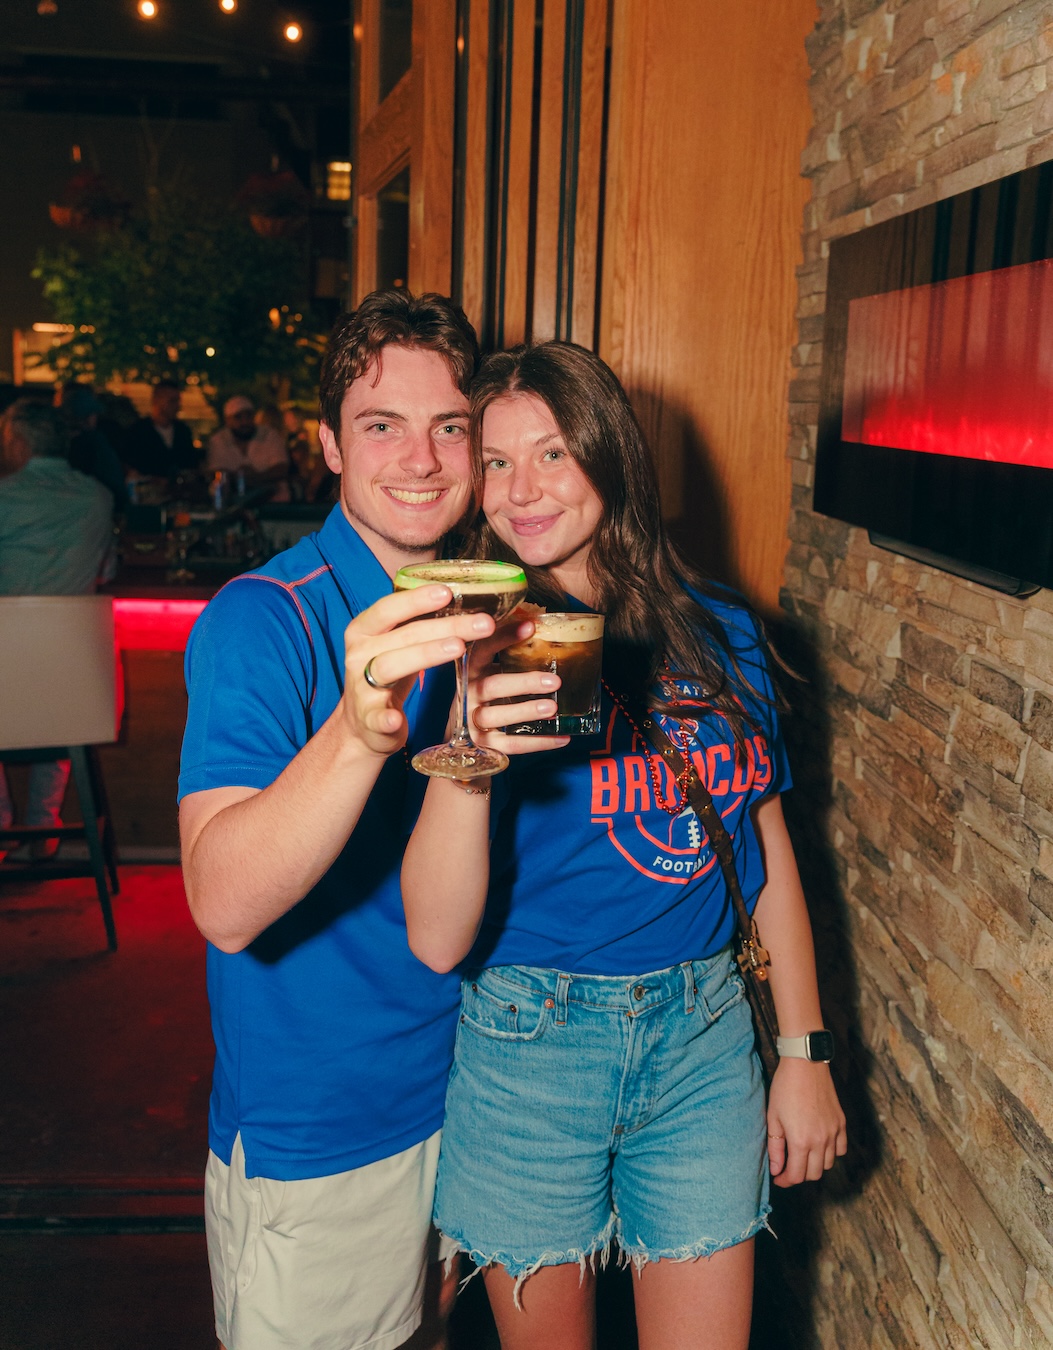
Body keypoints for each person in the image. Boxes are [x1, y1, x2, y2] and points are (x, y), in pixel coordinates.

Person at [401, 342, 848, 1349]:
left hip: (703, 1035)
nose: (523, 490)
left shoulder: (721, 629)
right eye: (499, 462)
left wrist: (805, 1052)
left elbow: (763, 849)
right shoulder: (471, 639)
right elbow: (434, 935)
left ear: (610, 454)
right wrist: (473, 735)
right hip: (532, 1042)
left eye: (552, 454)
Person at [178, 290, 504, 1350]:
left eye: (448, 426)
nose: (421, 458)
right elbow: (221, 903)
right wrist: (360, 734)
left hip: (473, 1098)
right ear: (326, 445)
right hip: (324, 1135)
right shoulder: (264, 618)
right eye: (381, 426)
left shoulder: (490, 614)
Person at [0, 399, 114, 861]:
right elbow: (106, 568)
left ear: (18, 443)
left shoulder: (4, 497)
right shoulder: (98, 497)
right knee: (60, 701)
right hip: (76, 684)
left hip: (6, 677)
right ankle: (44, 826)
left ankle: (2, 826)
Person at [207, 393, 289, 489]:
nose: (245, 422)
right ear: (228, 420)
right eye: (238, 417)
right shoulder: (218, 440)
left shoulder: (269, 435)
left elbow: (281, 468)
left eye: (248, 416)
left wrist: (255, 478)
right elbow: (216, 472)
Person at [123, 379, 200, 479]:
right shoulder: (137, 432)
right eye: (172, 401)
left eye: (178, 401)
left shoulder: (183, 432)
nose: (177, 406)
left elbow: (191, 464)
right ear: (156, 400)